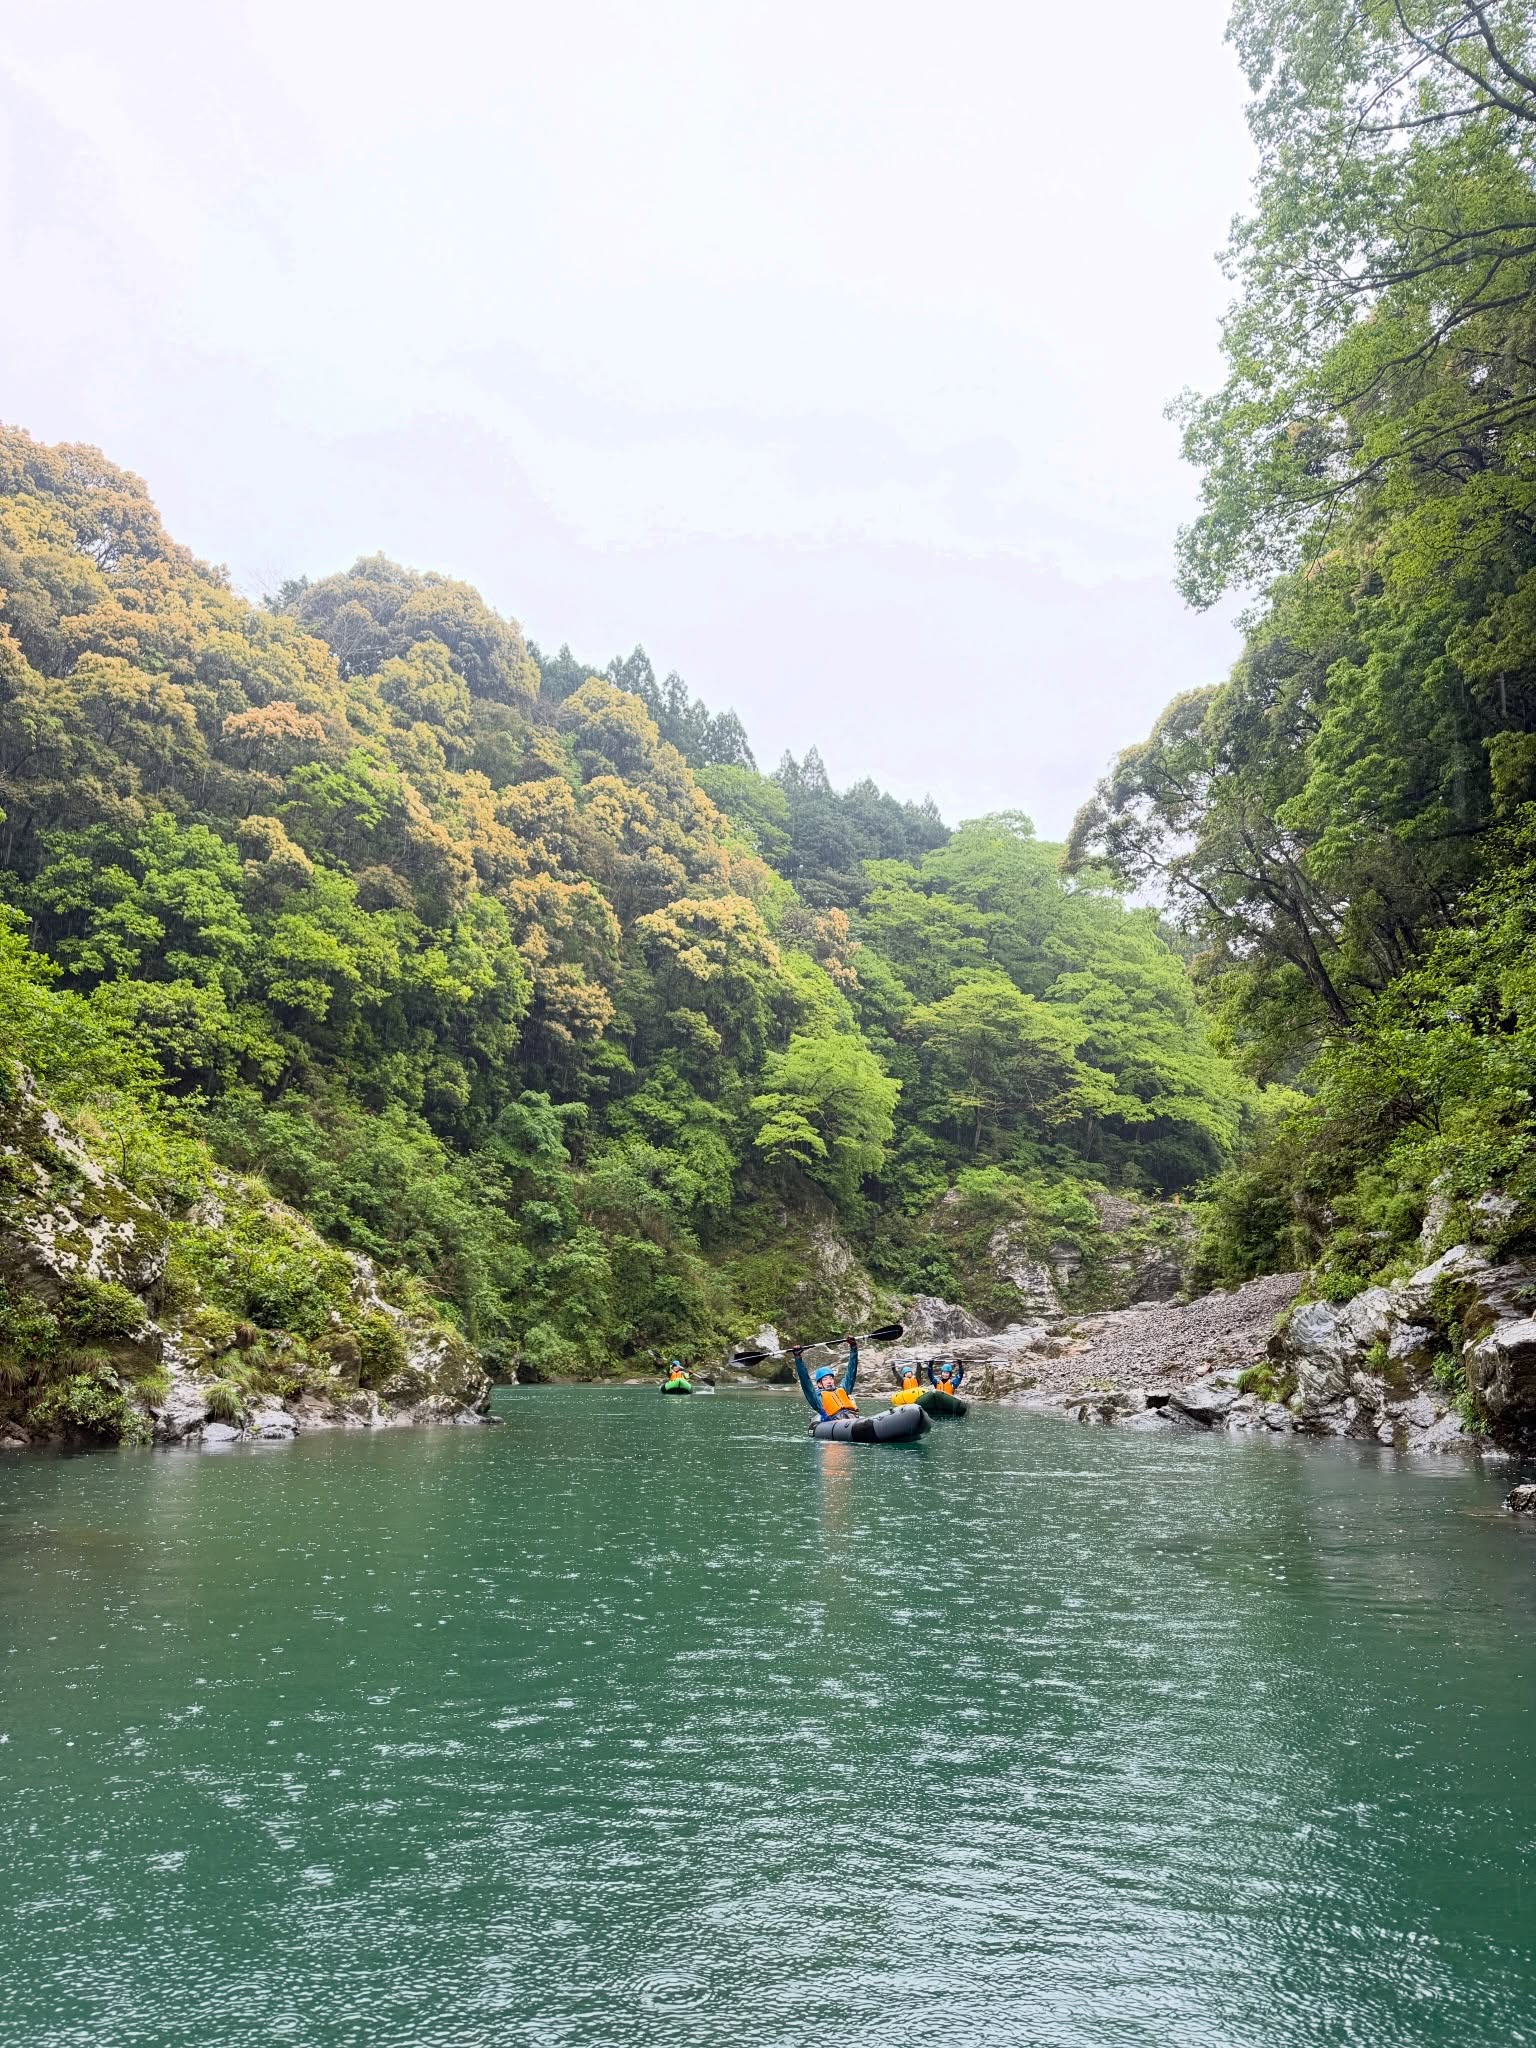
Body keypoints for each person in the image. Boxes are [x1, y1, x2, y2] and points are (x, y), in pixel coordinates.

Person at [792, 1338, 859, 1424]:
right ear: (820, 1384)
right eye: (825, 1379)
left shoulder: (843, 1389)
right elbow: (806, 1382)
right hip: (836, 1422)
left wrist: (854, 1348)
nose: (829, 1381)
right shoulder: (817, 1397)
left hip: (852, 1417)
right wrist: (798, 1358)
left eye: (831, 1378)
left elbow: (851, 1373)